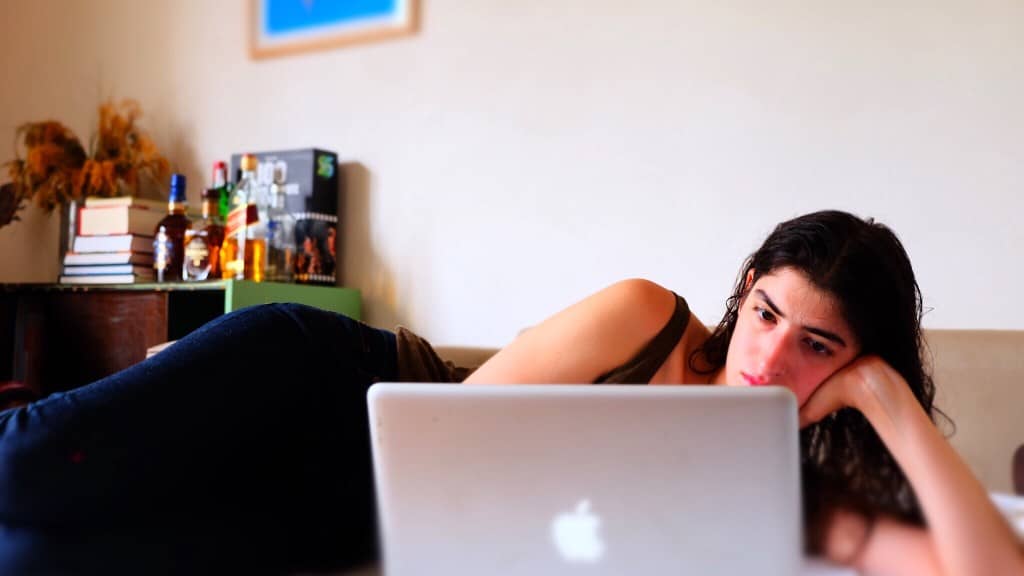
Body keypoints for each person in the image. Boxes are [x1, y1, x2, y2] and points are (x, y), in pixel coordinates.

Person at [0, 210, 1020, 575]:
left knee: (36, 555)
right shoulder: (647, 318)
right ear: (741, 291)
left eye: (818, 346)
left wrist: (886, 398)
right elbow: (450, 428)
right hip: (320, 388)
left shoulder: (797, 496)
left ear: (848, 363)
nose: (770, 356)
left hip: (344, 519)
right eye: (765, 313)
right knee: (30, 466)